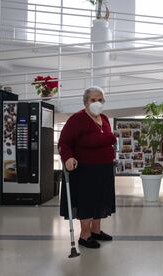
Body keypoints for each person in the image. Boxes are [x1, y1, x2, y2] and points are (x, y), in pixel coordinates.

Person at [58, 86, 116, 248]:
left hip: (104, 168)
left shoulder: (103, 118)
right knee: (88, 202)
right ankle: (85, 235)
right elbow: (64, 142)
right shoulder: (77, 119)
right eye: (93, 100)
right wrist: (68, 157)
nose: (97, 103)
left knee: (100, 200)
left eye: (100, 100)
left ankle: (96, 230)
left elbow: (106, 138)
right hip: (85, 169)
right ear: (86, 101)